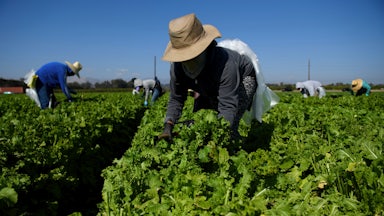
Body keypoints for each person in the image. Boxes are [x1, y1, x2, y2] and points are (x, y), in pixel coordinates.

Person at [158, 13, 259, 140]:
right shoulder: (177, 67)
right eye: (183, 58)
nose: (188, 62)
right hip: (208, 80)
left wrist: (216, 136)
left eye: (191, 56)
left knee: (227, 128)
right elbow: (176, 98)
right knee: (201, 121)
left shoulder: (225, 64)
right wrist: (169, 124)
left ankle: (235, 148)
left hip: (244, 78)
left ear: (204, 48)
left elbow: (228, 106)